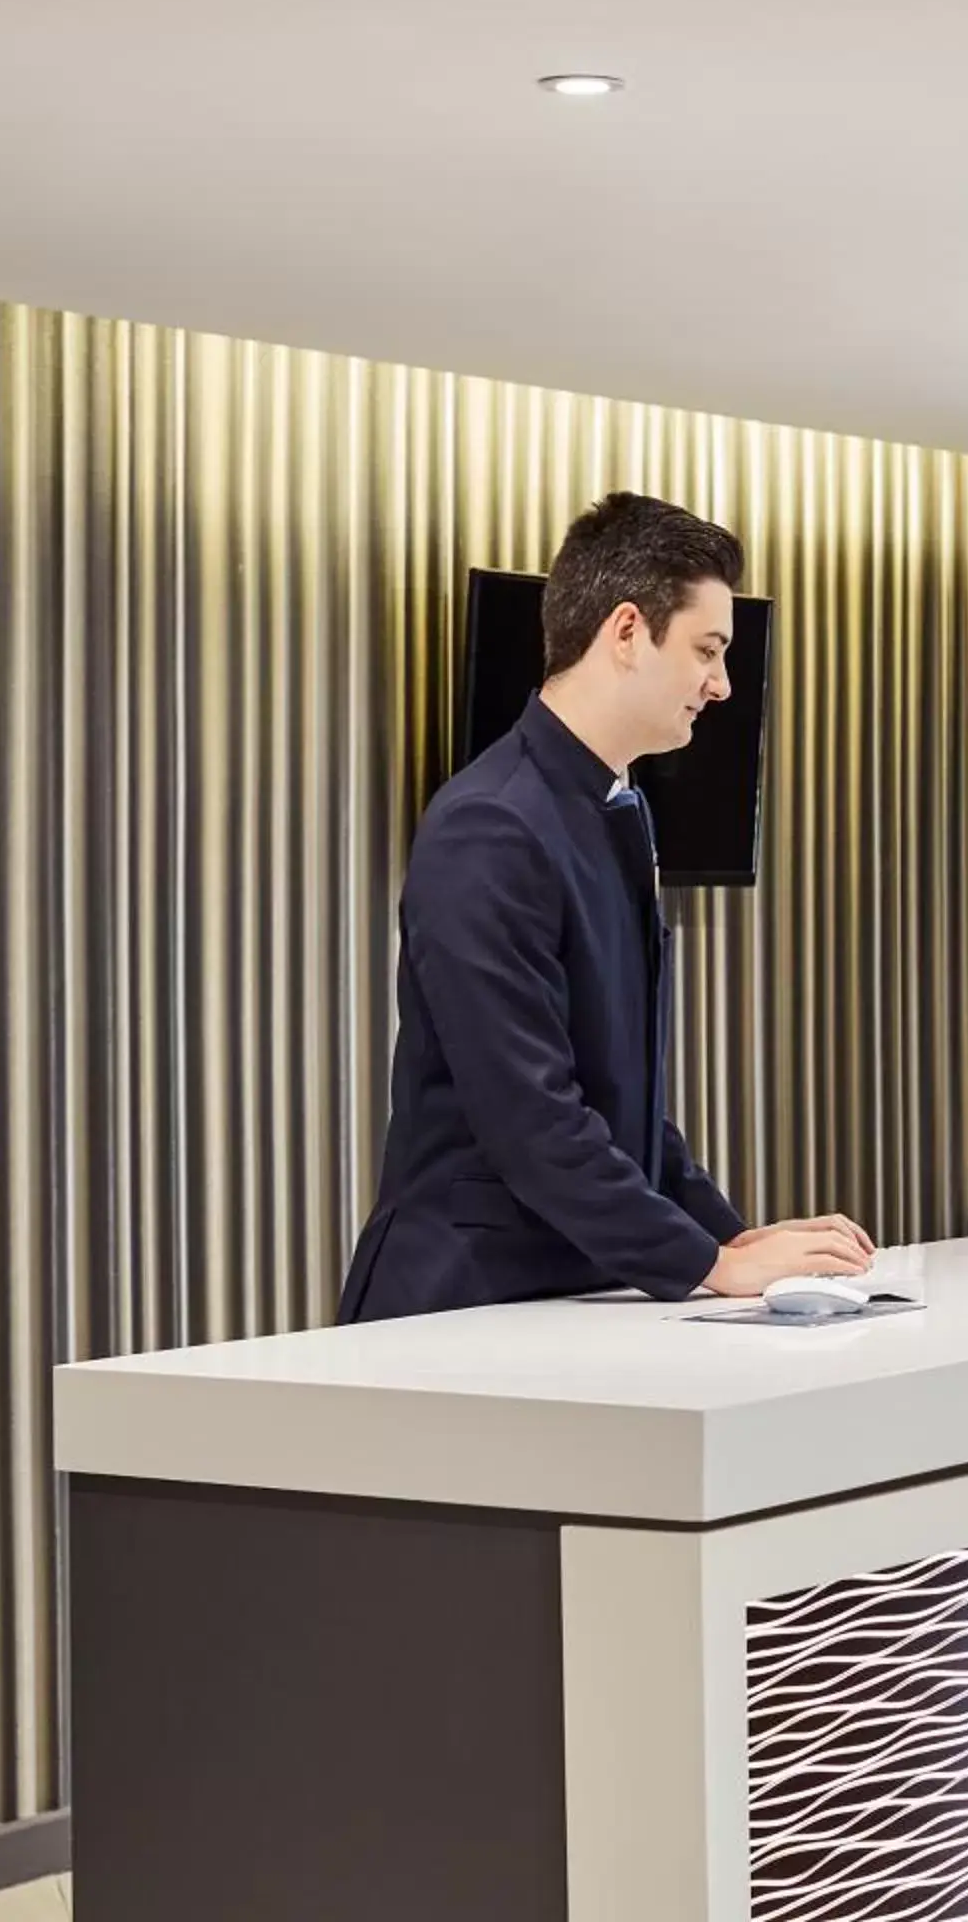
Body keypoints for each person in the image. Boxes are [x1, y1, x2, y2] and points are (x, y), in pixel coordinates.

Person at [339, 492, 874, 1322]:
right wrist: (708, 1263)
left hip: (573, 1288)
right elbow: (531, 1115)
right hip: (463, 1301)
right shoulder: (491, 824)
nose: (722, 685)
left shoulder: (614, 809)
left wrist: (732, 1243)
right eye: (708, 650)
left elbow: (624, 1105)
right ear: (627, 631)